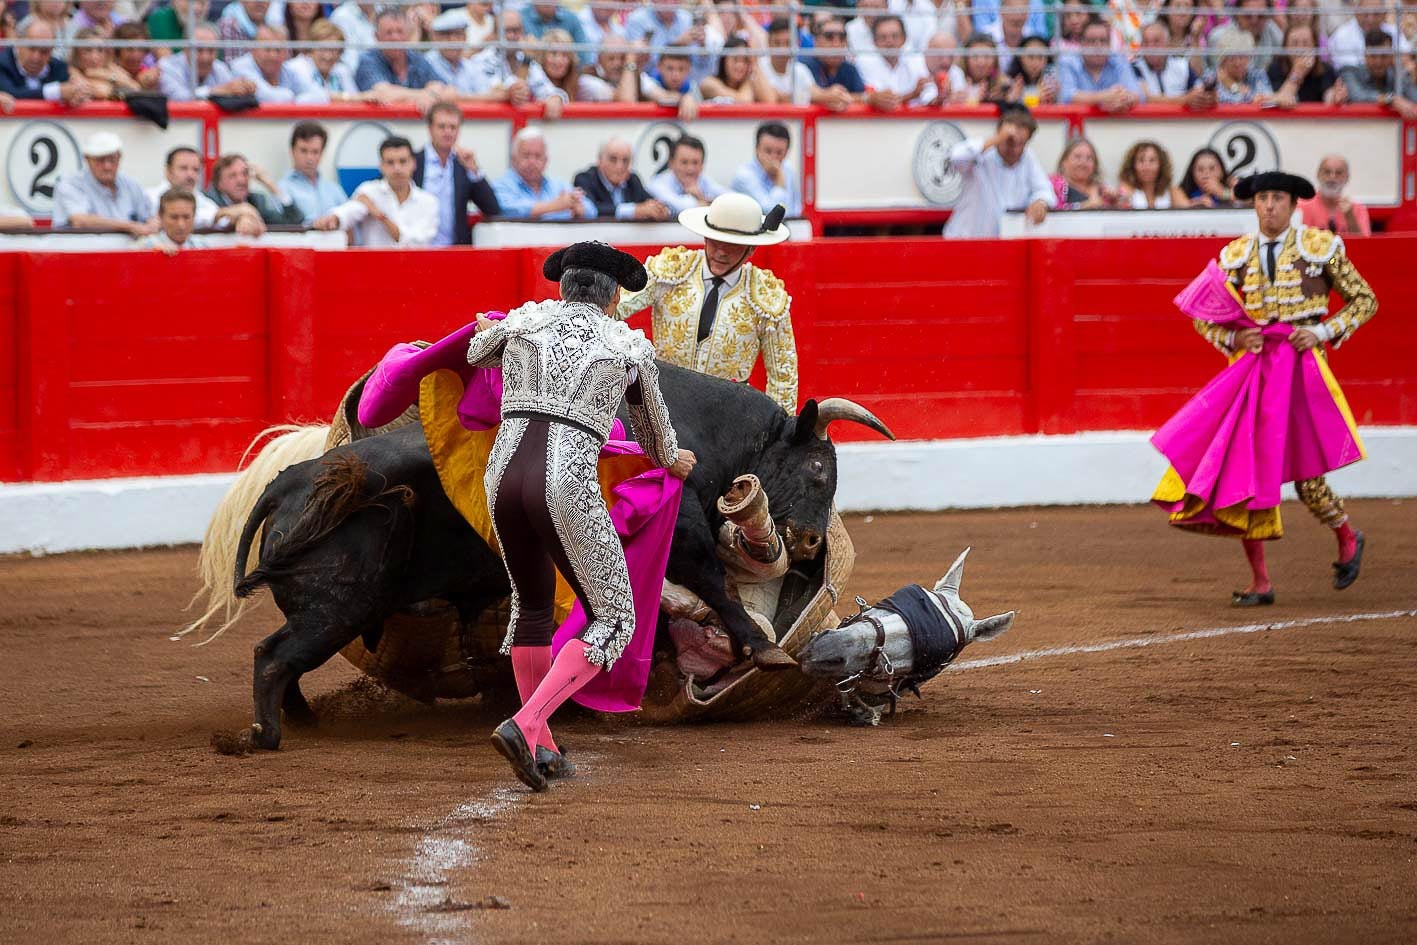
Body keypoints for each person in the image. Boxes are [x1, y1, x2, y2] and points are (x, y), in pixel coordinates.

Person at [469, 243, 690, 790]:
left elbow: (476, 351)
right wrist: (674, 460)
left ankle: (542, 750)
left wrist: (496, 330)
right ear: (614, 296)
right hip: (563, 484)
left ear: (561, 289)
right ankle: (527, 723)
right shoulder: (626, 347)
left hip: (502, 478)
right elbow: (654, 436)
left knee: (533, 606)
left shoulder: (525, 323)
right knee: (615, 617)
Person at [1152, 171, 1377, 606]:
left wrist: (1324, 330)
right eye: (1263, 199)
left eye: (1278, 198)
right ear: (1254, 206)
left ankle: (1347, 536)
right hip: (1254, 371)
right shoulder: (1234, 255)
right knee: (1244, 471)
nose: (1269, 205)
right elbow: (1203, 313)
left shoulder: (1320, 246)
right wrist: (1233, 339)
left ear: (1293, 205)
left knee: (1309, 476)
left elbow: (1365, 299)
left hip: (1303, 370)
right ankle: (1261, 581)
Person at [616, 192, 799, 417]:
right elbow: (615, 308)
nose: (721, 252)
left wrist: (779, 435)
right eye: (715, 241)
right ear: (704, 238)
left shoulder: (766, 296)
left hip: (726, 417)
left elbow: (783, 377)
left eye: (732, 245)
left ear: (751, 249)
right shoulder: (671, 270)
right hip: (663, 404)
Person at [943, 106, 1051, 238]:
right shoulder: (982, 153)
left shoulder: (1028, 157)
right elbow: (955, 156)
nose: (1015, 149)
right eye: (1011, 142)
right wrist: (997, 139)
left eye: (1021, 143)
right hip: (965, 240)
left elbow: (1045, 190)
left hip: (1003, 243)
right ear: (999, 134)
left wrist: (1040, 202)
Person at [314, 136, 439, 247]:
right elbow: (349, 211)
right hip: (372, 271)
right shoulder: (369, 191)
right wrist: (333, 219)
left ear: (413, 163)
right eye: (390, 162)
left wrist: (381, 216)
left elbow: (415, 243)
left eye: (403, 161)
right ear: (381, 166)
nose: (397, 168)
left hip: (414, 271)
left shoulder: (428, 202)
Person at [416, 101, 501, 245]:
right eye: (442, 126)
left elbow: (492, 209)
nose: (448, 132)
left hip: (455, 250)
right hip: (418, 248)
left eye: (453, 127)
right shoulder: (413, 162)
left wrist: (474, 171)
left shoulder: (463, 164)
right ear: (430, 129)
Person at [51, 131, 156, 234]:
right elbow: (81, 221)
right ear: (87, 159)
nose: (107, 166)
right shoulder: (71, 184)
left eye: (112, 159)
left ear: (119, 157)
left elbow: (150, 216)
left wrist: (153, 224)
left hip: (128, 248)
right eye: (100, 160)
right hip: (83, 248)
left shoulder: (130, 184)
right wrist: (130, 227)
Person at [147, 144, 260, 233]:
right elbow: (189, 220)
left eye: (195, 170)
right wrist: (228, 212)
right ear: (168, 171)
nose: (190, 175)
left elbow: (222, 221)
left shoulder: (201, 198)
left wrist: (243, 218)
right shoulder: (149, 197)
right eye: (183, 168)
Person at [492, 127, 597, 220]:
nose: (532, 162)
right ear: (513, 158)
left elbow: (592, 211)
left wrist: (579, 209)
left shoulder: (558, 185)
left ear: (546, 160)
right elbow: (507, 210)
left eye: (538, 156)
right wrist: (557, 206)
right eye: (526, 155)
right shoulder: (501, 185)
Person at [0, 16, 93, 104]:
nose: (36, 57)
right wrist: (56, 92)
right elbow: (11, 93)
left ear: (52, 50)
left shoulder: (59, 67)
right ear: (18, 44)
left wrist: (78, 93)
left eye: (44, 51)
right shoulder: (2, 63)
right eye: (31, 48)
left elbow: (76, 90)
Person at [573, 137, 670, 220]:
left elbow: (649, 203)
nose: (620, 166)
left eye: (625, 160)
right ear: (599, 160)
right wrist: (635, 210)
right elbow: (592, 209)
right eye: (613, 159)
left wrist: (660, 209)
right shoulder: (584, 179)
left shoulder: (633, 180)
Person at [1059, 16, 1144, 111]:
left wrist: (1124, 99)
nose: (1098, 46)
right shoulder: (1068, 62)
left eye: (1103, 41)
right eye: (1091, 41)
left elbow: (1138, 95)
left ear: (1109, 44)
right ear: (1081, 43)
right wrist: (1103, 98)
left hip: (1114, 123)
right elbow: (1066, 96)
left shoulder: (1120, 61)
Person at [354, 8, 441, 100]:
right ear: (376, 36)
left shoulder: (416, 58)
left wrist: (431, 93)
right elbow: (383, 93)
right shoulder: (368, 60)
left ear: (408, 35)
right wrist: (426, 95)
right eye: (389, 33)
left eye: (400, 31)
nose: (395, 38)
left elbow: (445, 89)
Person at [157, 21, 255, 100]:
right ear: (185, 49)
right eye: (199, 50)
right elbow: (178, 98)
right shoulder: (167, 66)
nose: (205, 58)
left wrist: (243, 89)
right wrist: (214, 92)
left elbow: (230, 90)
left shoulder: (220, 67)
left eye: (211, 50)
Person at [857, 14, 935, 106]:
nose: (890, 41)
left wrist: (940, 97)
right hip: (879, 120)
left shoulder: (917, 60)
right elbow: (883, 101)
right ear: (874, 41)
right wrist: (913, 95)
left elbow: (930, 96)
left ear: (904, 39)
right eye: (883, 37)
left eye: (895, 36)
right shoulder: (864, 62)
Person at [279, 121, 346, 225]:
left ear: (322, 153)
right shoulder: (282, 189)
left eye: (315, 152)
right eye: (303, 151)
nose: (309, 158)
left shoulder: (334, 189)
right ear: (292, 151)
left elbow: (350, 228)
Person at [206, 154, 303, 225]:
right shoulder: (209, 201)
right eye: (232, 176)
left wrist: (270, 184)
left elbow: (295, 221)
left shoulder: (256, 201)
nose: (241, 180)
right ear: (219, 184)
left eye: (244, 173)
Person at [1339, 30, 1417, 119]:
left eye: (1384, 56)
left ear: (1392, 56)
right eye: (1373, 56)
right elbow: (1357, 96)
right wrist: (1390, 99)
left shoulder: (1397, 75)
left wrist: (1411, 74)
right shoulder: (1350, 72)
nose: (1378, 62)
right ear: (1365, 56)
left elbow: (1414, 97)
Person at [732, 121, 802, 218]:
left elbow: (795, 209)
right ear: (757, 149)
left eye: (779, 152)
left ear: (786, 152)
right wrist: (780, 183)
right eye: (768, 151)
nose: (773, 157)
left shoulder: (788, 169)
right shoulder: (744, 176)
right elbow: (768, 212)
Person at [287, 18, 367, 101]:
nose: (328, 56)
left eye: (333, 50)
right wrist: (348, 97)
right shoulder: (296, 67)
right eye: (323, 49)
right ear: (311, 47)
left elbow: (356, 99)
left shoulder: (341, 70)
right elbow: (315, 96)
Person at [1268, 22, 1346, 105]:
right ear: (1285, 47)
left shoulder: (1326, 69)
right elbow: (1279, 99)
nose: (1300, 49)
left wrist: (1335, 96)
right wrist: (1296, 74)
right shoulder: (1275, 69)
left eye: (1306, 43)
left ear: (1314, 46)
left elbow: (1328, 95)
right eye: (1294, 44)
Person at [647, 134, 725, 215]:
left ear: (702, 165)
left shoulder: (704, 180)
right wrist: (704, 202)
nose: (690, 169)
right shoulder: (657, 184)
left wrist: (701, 198)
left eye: (695, 163)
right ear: (671, 163)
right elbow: (677, 207)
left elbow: (731, 200)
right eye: (684, 162)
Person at [1298, 154, 1373, 236]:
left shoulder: (1358, 210)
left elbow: (1364, 245)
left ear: (1347, 177)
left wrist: (1350, 217)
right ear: (1318, 174)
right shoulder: (1301, 207)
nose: (1332, 177)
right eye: (1327, 172)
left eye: (1339, 173)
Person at [230, 24, 304, 102]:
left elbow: (314, 93)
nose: (273, 56)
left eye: (278, 50)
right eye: (267, 49)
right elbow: (269, 97)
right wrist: (295, 97)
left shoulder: (287, 70)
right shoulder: (240, 66)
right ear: (253, 50)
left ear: (287, 53)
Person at [1199, 30, 1275, 105]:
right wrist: (1250, 97)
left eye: (1242, 57)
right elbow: (1222, 103)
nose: (1237, 63)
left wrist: (1233, 86)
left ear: (1249, 58)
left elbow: (1267, 102)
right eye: (1231, 58)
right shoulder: (1210, 77)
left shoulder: (1258, 75)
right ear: (1223, 60)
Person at [1133, 20, 1200, 103]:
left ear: (1168, 44)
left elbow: (1199, 91)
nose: (1150, 47)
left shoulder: (1182, 65)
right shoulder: (1135, 67)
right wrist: (1186, 99)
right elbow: (1146, 99)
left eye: (1156, 41)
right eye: (1145, 42)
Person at [1205, 0, 1283, 70]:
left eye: (1260, 16)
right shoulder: (1218, 37)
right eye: (1248, 16)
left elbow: (1285, 51)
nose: (1254, 21)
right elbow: (1219, 75)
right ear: (1237, 16)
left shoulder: (1270, 28)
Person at [700, 35, 777, 103]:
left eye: (745, 60)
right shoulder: (709, 83)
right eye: (735, 59)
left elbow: (770, 100)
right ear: (724, 60)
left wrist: (755, 63)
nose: (740, 65)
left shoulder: (749, 83)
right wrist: (749, 83)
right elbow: (743, 100)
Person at [1118, 140, 1191, 209]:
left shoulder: (1172, 191)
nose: (1146, 167)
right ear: (1132, 165)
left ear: (1161, 165)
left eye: (1152, 161)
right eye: (1141, 160)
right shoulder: (1126, 188)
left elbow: (1189, 215)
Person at [138, 188, 209, 253]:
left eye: (186, 217)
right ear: (161, 216)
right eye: (174, 217)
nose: (181, 225)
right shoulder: (145, 247)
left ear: (194, 216)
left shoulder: (202, 247)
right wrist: (151, 257)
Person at [1051, 137, 1113, 209]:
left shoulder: (1103, 190)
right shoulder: (1052, 186)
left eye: (1089, 158)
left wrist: (1115, 200)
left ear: (1095, 164)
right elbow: (1052, 209)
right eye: (1077, 157)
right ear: (1064, 161)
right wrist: (1083, 206)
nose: (1083, 162)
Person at [1004, 35, 1057, 105]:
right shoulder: (1009, 81)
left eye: (1040, 57)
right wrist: (1010, 100)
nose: (1035, 63)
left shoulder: (1052, 80)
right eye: (1030, 57)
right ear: (1020, 58)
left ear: (1047, 59)